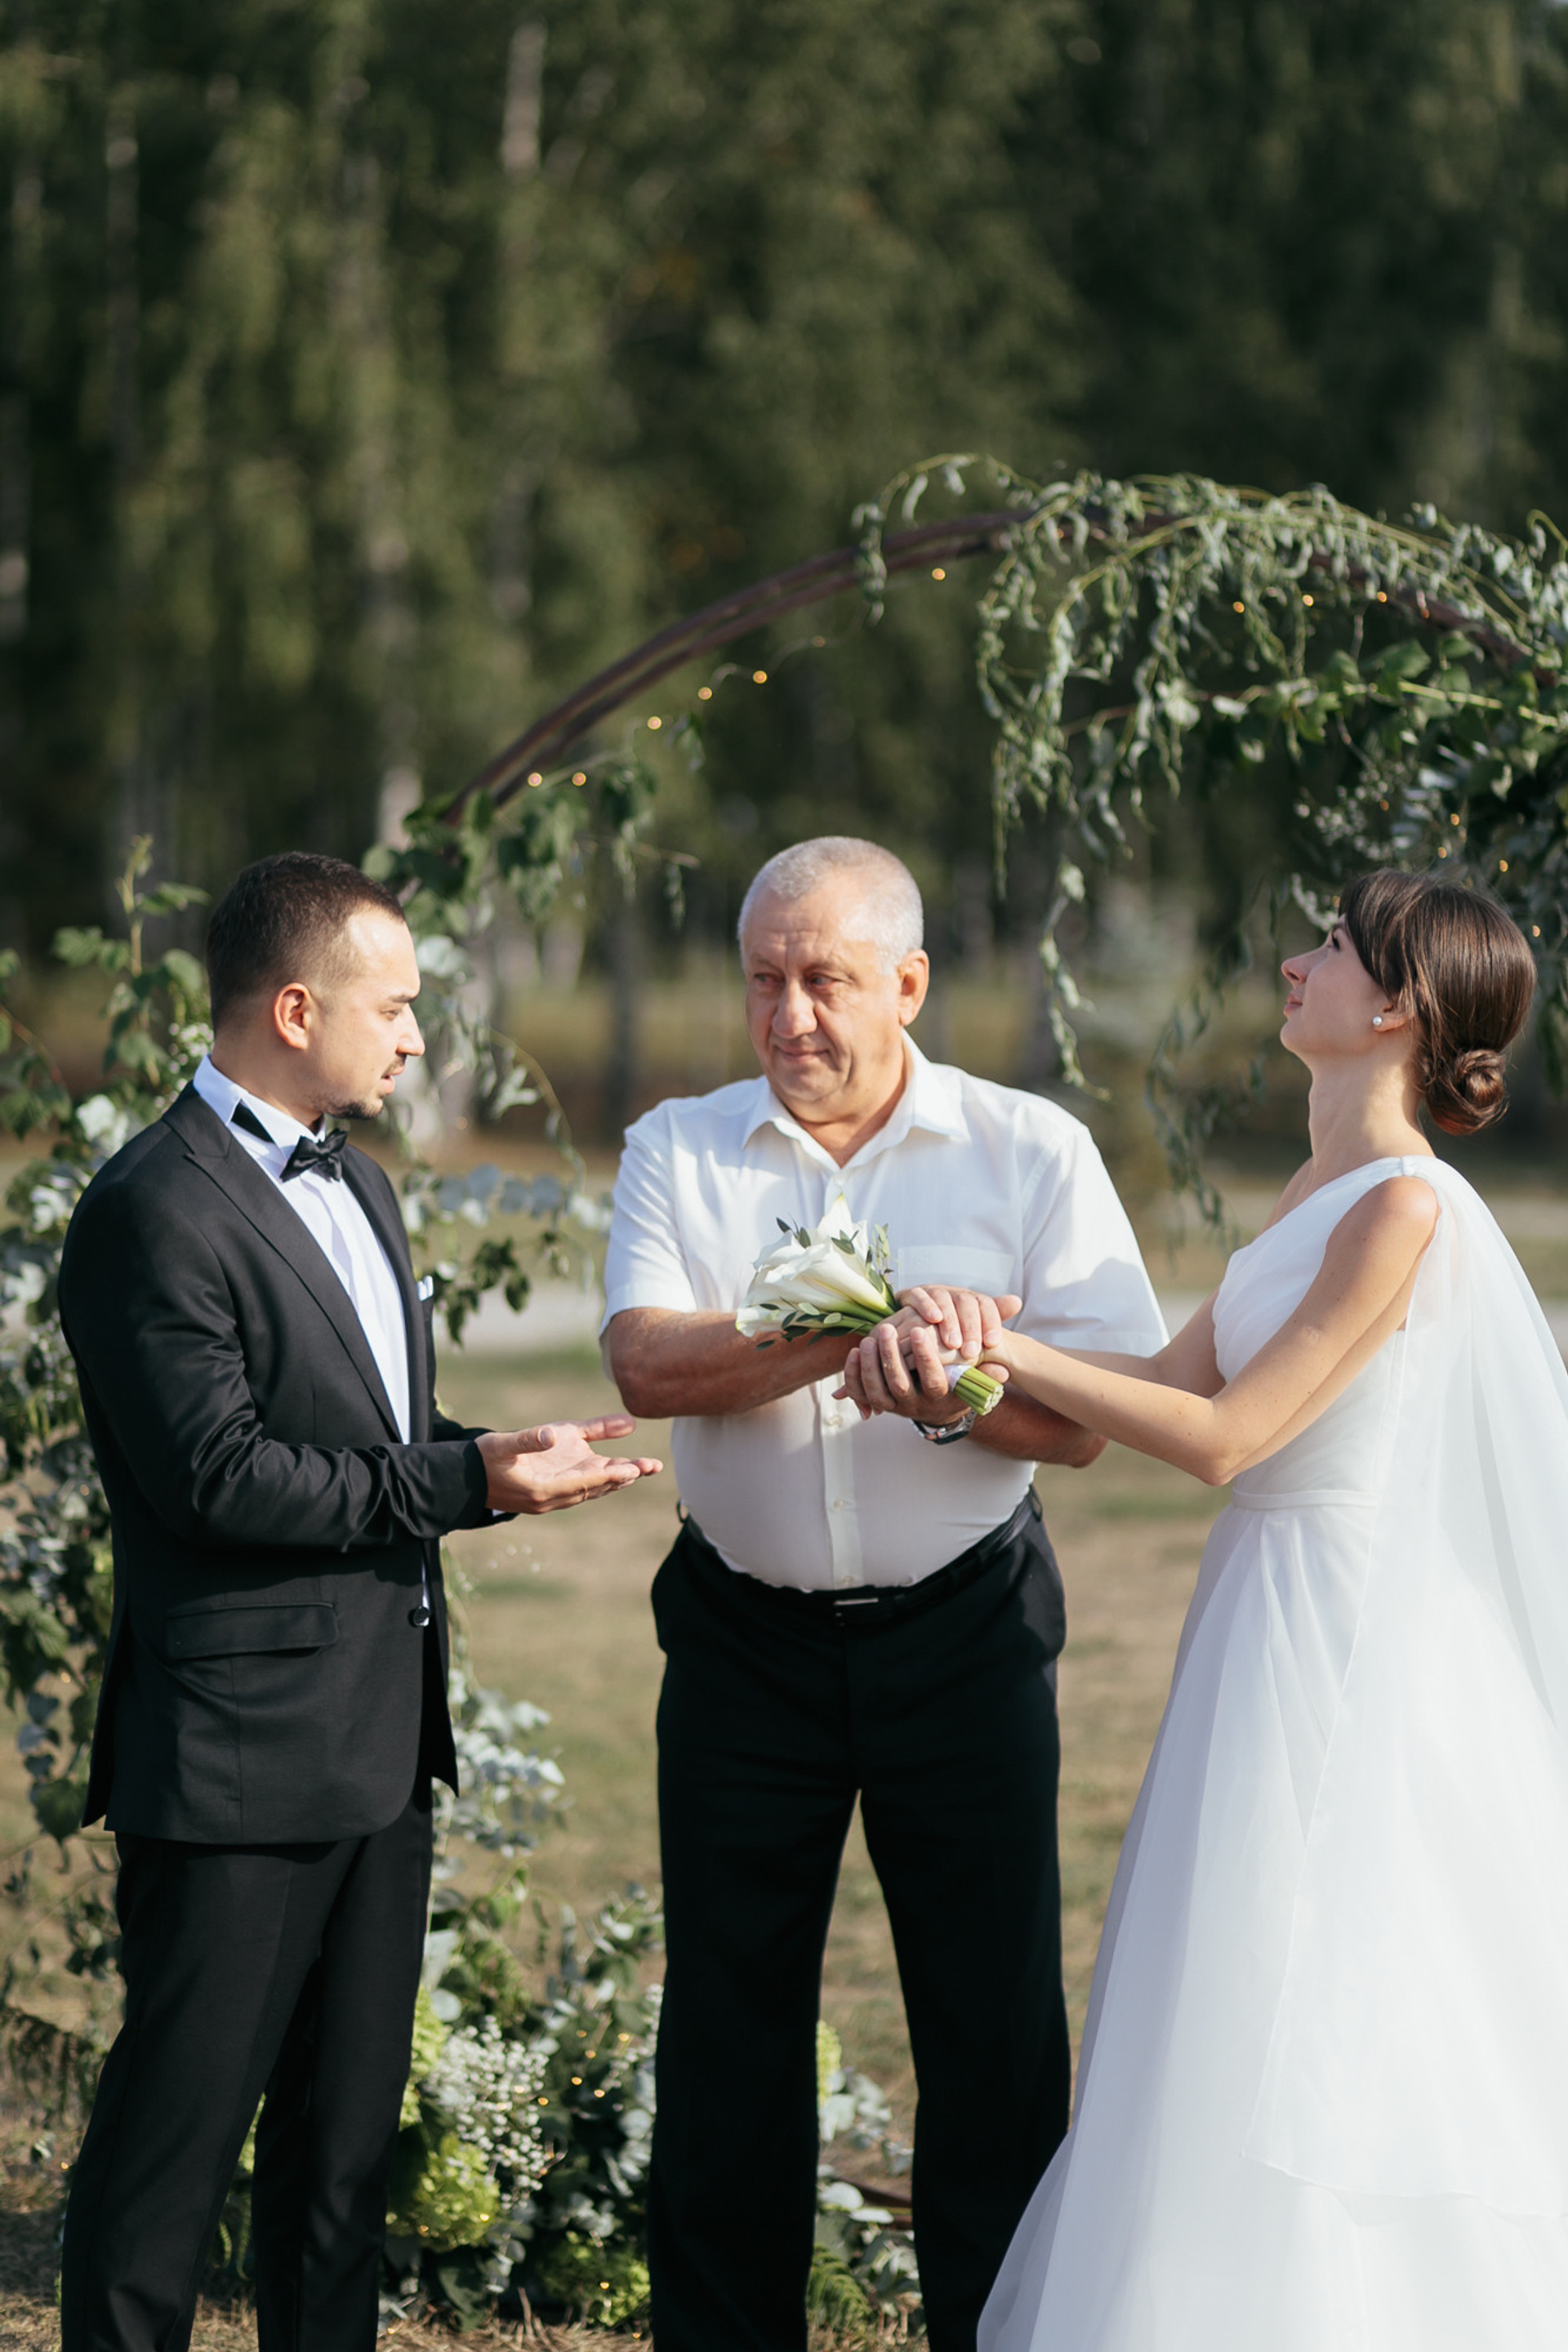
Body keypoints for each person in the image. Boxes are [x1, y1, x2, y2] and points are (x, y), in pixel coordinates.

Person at [843, 867, 1568, 2350]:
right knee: (1214, 1993)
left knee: (1325, 1994)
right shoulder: (1314, 1193)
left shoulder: (1407, 1212)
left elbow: (1230, 1439)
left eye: (1334, 948)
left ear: (1400, 1007)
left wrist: (1006, 1349)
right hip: (1261, 1619)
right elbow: (1161, 1390)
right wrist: (950, 1359)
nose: (1296, 961)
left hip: (1350, 1650)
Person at [56, 852, 662, 2352]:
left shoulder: (369, 1185)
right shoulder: (152, 1209)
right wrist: (469, 1491)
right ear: (295, 1003)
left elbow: (371, 1444)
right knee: (163, 2183)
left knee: (338, 2180)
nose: (413, 1039)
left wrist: (493, 1453)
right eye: (393, 1010)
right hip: (235, 1774)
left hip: (383, 1759)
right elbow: (224, 1482)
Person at [602, 835, 1167, 2352]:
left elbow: (1097, 1417)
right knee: (727, 2034)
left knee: (989, 2041)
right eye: (766, 982)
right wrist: (852, 1323)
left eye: (827, 980)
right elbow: (650, 1363)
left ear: (909, 983)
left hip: (966, 1637)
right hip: (738, 1641)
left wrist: (947, 1389)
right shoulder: (679, 1145)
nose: (791, 1017)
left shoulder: (1031, 1151)